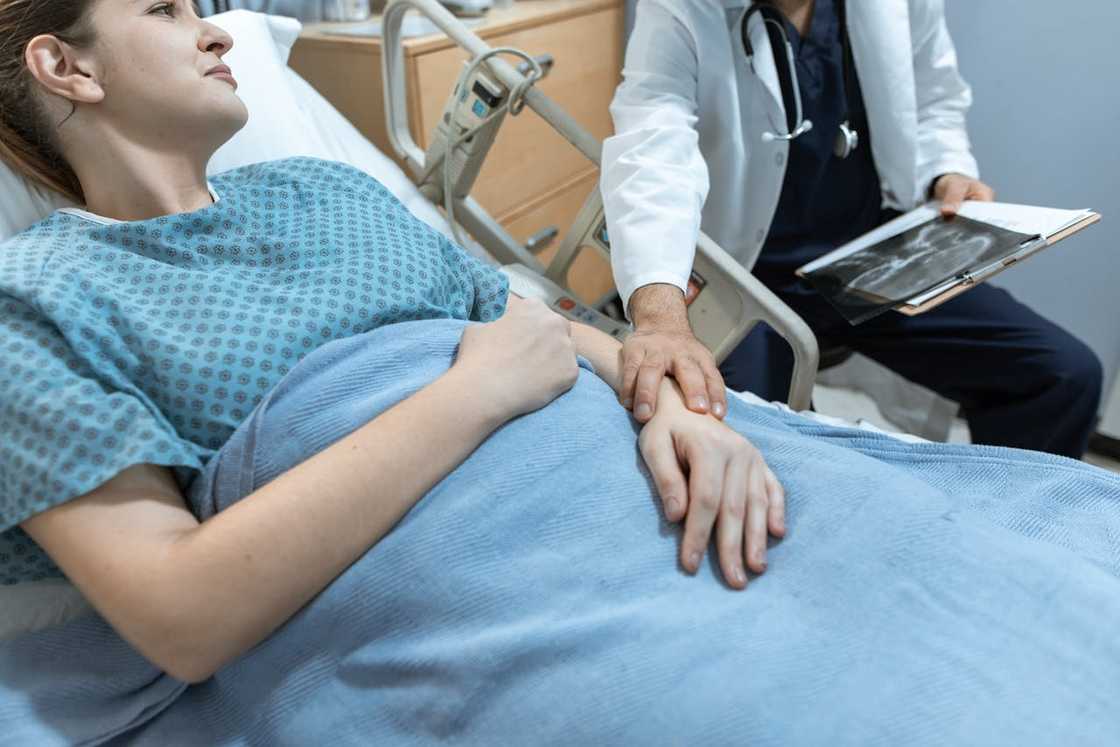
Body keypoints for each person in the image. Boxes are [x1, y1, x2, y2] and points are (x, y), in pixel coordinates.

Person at [3, 3, 1120, 743]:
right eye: (164, 8)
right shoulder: (40, 299)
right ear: (64, 64)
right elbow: (182, 615)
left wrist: (674, 407)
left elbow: (536, 331)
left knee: (1050, 563)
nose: (211, 29)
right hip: (498, 588)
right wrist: (476, 391)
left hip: (658, 476)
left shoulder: (324, 191)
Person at [601, 0, 1103, 458]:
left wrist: (946, 170)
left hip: (868, 255)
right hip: (748, 278)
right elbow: (652, 153)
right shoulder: (682, 9)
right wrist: (660, 318)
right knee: (741, 433)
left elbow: (934, 98)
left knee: (1062, 376)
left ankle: (1000, 529)